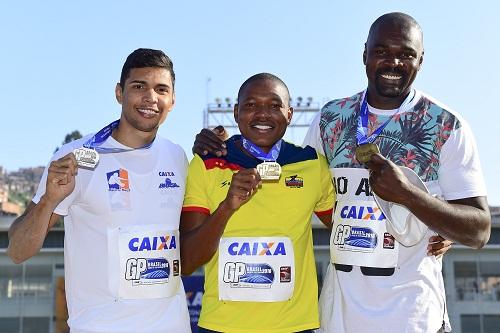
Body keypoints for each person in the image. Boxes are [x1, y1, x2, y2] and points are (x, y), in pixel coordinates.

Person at [192, 12, 489, 333]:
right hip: (340, 316)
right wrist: (221, 145)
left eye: (406, 54)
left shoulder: (445, 125)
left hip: (414, 314)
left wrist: (412, 199)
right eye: (381, 52)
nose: (393, 63)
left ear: (421, 60)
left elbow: (479, 230)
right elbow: (286, 174)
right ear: (365, 54)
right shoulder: (330, 118)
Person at [7, 48, 191, 333]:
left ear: (173, 100)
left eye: (161, 89)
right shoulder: (76, 157)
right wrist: (49, 200)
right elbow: (18, 251)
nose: (150, 98)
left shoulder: (177, 157)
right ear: (119, 92)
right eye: (138, 86)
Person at [180, 73, 335, 332]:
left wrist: (421, 233)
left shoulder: (311, 163)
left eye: (274, 105)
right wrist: (227, 207)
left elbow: (345, 229)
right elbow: (187, 262)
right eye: (251, 105)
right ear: (236, 111)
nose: (263, 114)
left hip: (295, 326)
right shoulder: (206, 163)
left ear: (290, 113)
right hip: (222, 325)